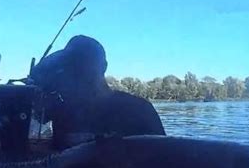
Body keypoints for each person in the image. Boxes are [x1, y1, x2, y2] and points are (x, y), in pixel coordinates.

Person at [30, 35, 166, 149]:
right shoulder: (63, 113)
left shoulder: (139, 110)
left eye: (84, 63)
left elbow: (165, 159)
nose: (79, 70)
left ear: (104, 67)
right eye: (71, 64)